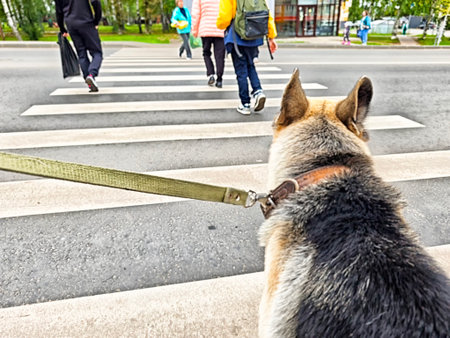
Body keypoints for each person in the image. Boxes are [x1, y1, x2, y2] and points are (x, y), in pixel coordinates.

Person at [217, 0, 277, 115]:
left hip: (237, 37)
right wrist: (271, 36)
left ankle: (245, 104)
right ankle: (258, 91)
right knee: (251, 65)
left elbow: (225, 16)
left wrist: (220, 25)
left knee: (241, 71)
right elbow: (267, 13)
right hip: (254, 35)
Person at [55, 0, 103, 92]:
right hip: (86, 22)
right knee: (97, 53)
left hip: (71, 24)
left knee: (81, 54)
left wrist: (62, 29)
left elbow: (59, 11)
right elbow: (96, 1)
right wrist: (96, 20)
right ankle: (91, 75)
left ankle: (89, 80)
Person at [191, 0, 225, 88]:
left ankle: (211, 74)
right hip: (220, 27)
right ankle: (219, 79)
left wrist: (194, 30)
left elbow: (196, 14)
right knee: (219, 55)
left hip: (205, 28)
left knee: (206, 53)